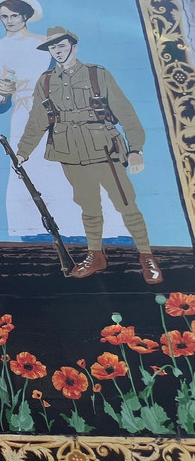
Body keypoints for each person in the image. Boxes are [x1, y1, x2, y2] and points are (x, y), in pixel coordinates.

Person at [15, 27, 163, 284]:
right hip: (70, 153)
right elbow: (37, 120)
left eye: (61, 46)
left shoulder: (97, 74)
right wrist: (22, 152)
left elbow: (125, 112)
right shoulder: (46, 81)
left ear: (74, 46)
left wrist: (136, 148)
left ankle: (146, 257)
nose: (57, 51)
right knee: (88, 206)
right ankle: (96, 255)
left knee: (126, 204)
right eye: (52, 48)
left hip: (104, 149)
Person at [0, 0, 122, 240]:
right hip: (23, 118)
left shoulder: (46, 45)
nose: (9, 21)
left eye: (14, 16)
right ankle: (37, 231)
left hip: (60, 114)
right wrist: (1, 93)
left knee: (69, 169)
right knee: (30, 170)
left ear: (25, 16)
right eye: (4, 17)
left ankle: (88, 230)